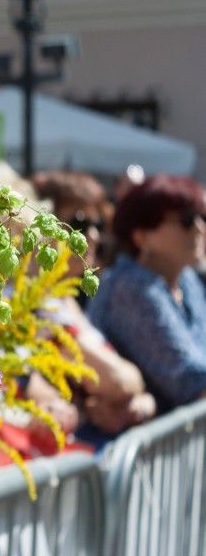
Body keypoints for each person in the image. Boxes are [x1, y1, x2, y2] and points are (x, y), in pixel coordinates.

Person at [31, 170, 156, 443]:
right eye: (79, 223)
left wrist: (141, 404)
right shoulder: (36, 304)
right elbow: (120, 382)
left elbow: (132, 386)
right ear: (41, 223)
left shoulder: (65, 301)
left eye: (98, 223)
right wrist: (131, 398)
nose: (94, 236)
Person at [86, 174, 206, 415]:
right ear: (142, 236)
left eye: (202, 217)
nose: (199, 229)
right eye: (186, 220)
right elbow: (190, 381)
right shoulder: (131, 286)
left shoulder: (186, 279)